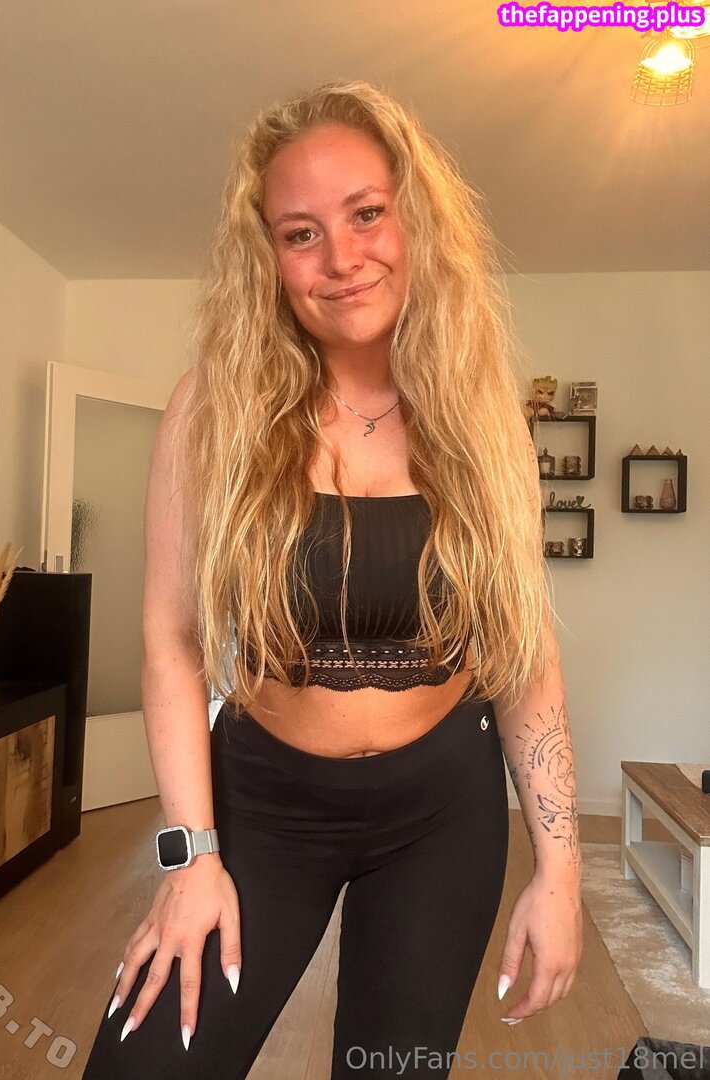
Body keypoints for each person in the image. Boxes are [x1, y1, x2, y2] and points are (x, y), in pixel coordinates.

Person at [81, 79, 583, 1080]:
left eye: (366, 214)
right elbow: (172, 643)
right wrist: (190, 858)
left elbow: (523, 656)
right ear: (267, 256)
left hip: (443, 810)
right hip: (262, 803)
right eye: (300, 233)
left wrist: (561, 871)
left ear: (416, 220)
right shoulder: (212, 409)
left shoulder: (487, 418)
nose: (342, 259)